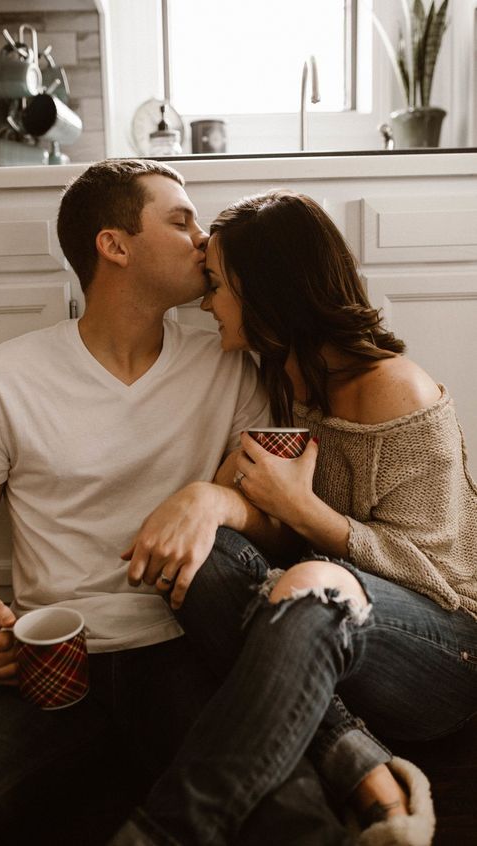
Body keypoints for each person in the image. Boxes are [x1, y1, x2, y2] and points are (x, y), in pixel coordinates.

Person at [0, 159, 279, 845]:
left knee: (286, 810)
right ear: (114, 245)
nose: (203, 240)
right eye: (181, 221)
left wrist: (213, 501)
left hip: (184, 648)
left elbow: (274, 520)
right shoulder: (3, 377)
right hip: (53, 654)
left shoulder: (227, 363)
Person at [110, 191, 477, 846]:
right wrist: (211, 500)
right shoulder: (280, 376)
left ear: (265, 291)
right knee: (206, 556)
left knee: (315, 582)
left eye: (217, 286)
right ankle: (355, 758)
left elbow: (437, 578)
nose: (205, 301)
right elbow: (258, 518)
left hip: (446, 652)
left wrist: (302, 510)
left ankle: (167, 831)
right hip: (327, 632)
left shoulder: (398, 389)